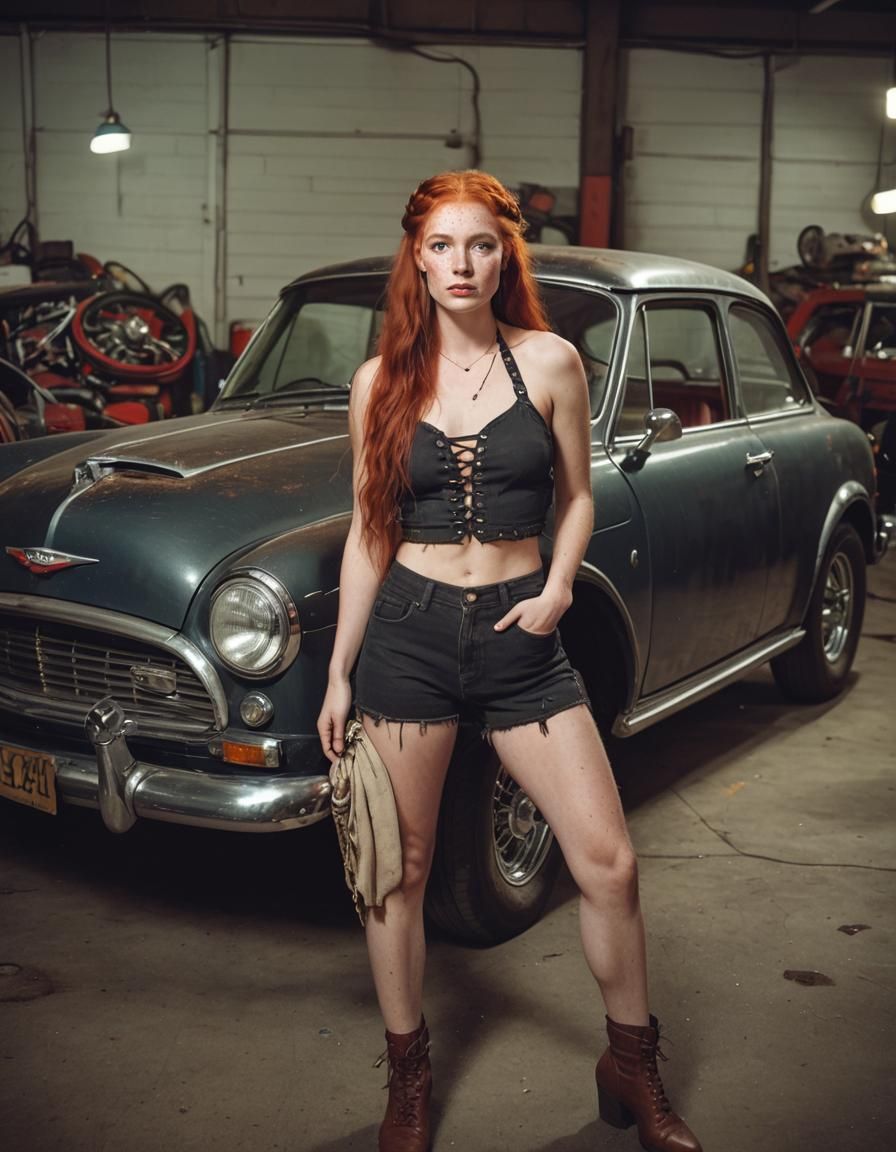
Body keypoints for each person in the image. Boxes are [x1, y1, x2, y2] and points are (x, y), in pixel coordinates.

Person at [317, 170, 701, 1152]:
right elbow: (370, 531)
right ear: (416, 256)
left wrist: (561, 584)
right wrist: (338, 669)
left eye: (478, 244)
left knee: (607, 864)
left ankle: (630, 1063)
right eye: (440, 245)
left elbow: (575, 495)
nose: (459, 263)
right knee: (395, 872)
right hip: (407, 631)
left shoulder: (551, 362)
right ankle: (408, 1077)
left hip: (521, 639)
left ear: (504, 254)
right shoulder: (379, 382)